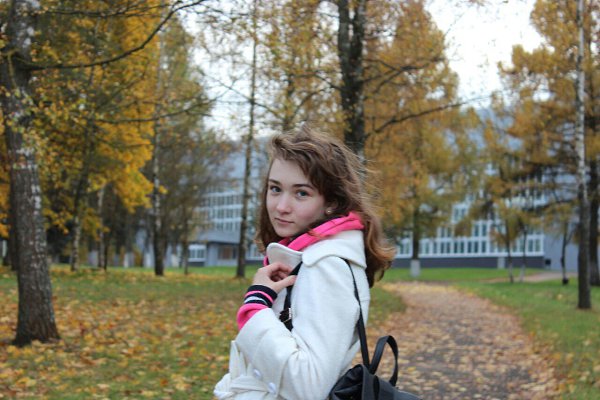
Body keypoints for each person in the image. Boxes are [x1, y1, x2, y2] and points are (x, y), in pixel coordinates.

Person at [214, 125, 395, 399]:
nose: (281, 206)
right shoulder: (308, 257)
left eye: (301, 193)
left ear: (331, 202)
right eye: (275, 189)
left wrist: (255, 306)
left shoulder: (326, 265)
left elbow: (309, 386)